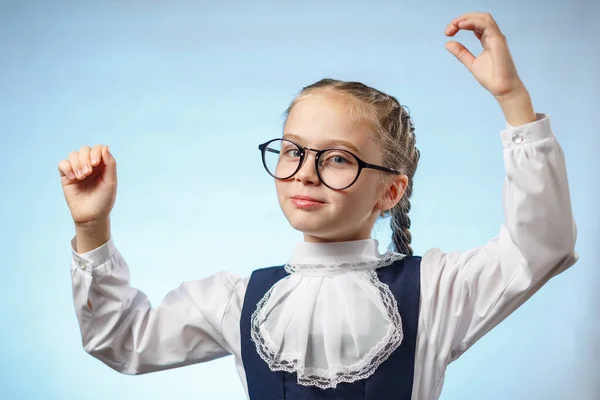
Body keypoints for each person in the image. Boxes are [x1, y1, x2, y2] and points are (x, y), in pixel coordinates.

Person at [59, 12, 578, 400]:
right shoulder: (237, 301)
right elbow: (121, 340)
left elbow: (541, 246)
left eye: (336, 158)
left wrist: (513, 100)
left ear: (390, 192)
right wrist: (92, 226)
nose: (304, 171)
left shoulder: (436, 290)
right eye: (292, 150)